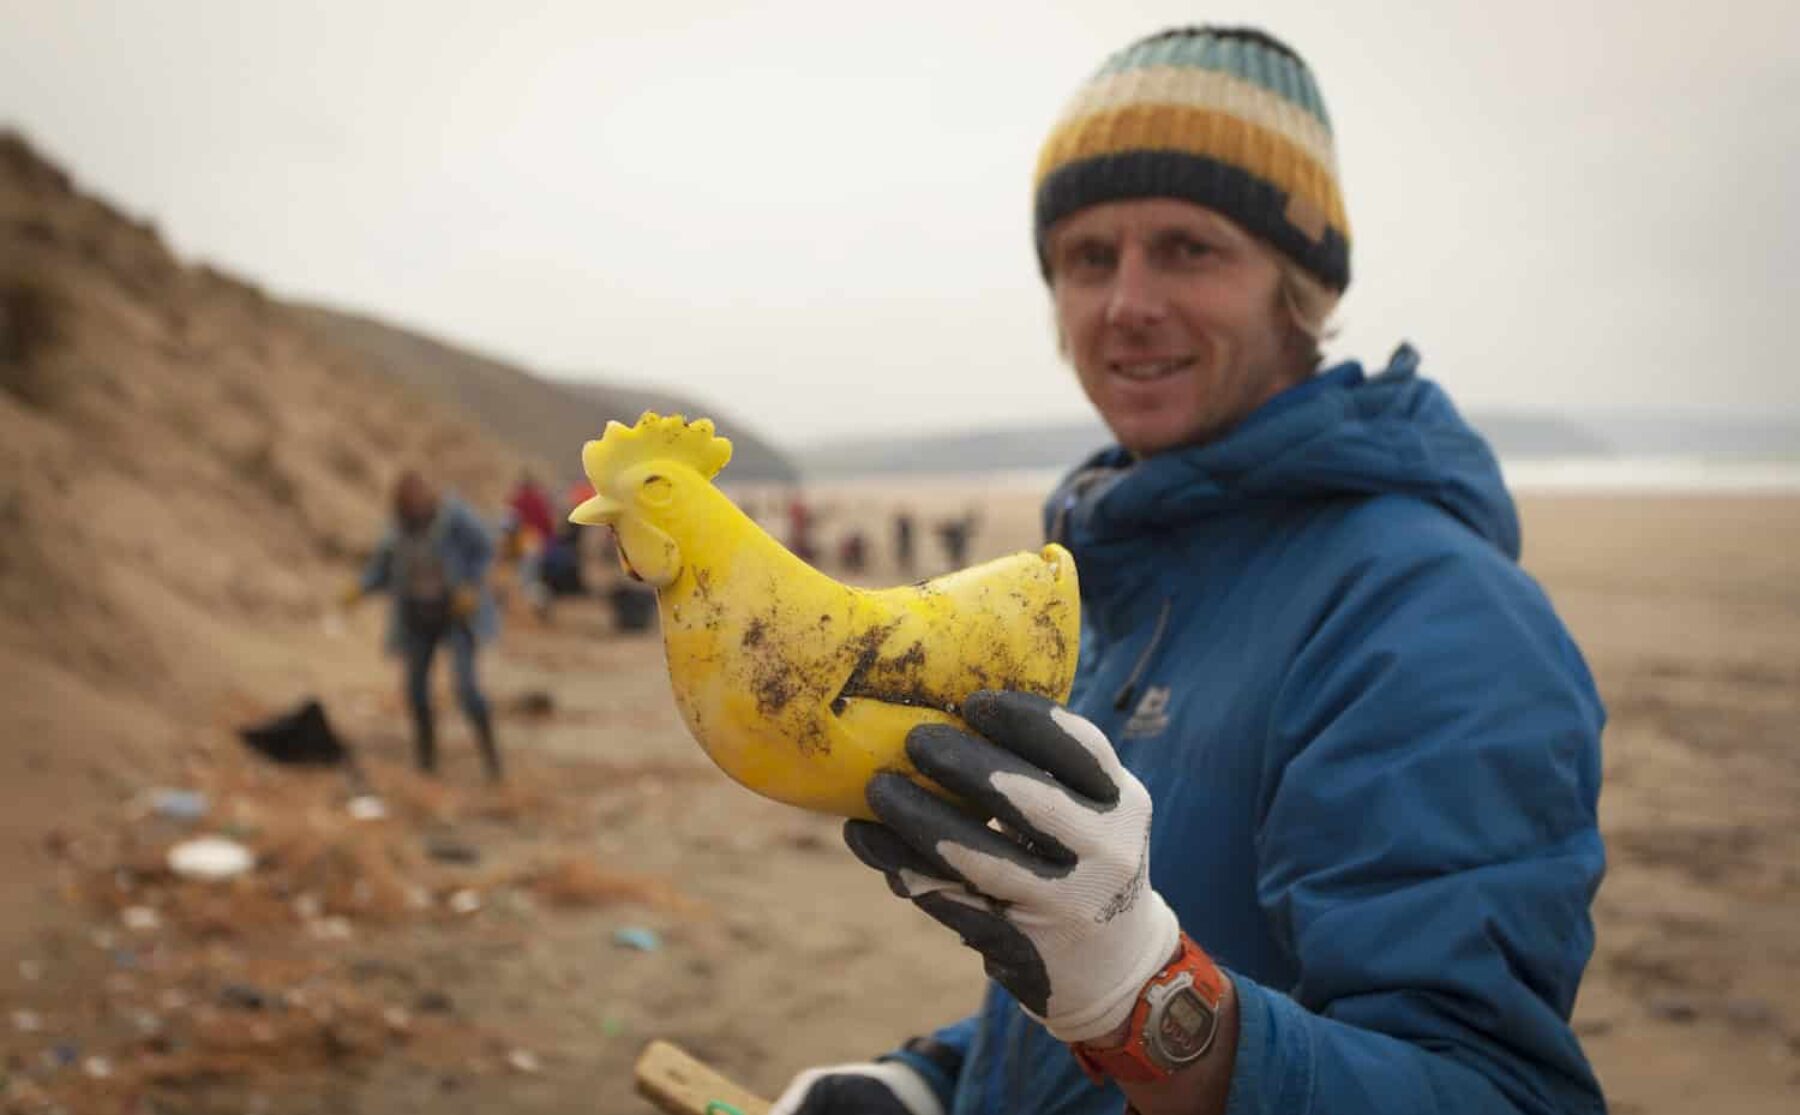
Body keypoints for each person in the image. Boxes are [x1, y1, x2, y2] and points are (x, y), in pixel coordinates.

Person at [771, 25, 1604, 1115]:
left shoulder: (1434, 618)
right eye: (1085, 257)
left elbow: (1494, 1091)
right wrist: (927, 1083)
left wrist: (1148, 1000)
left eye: (1188, 247)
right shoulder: (1127, 582)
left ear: (1297, 287)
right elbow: (1084, 964)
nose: (1125, 304)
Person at [343, 469, 504, 782]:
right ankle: (426, 761)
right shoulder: (398, 533)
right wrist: (359, 589)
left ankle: (492, 761)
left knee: (467, 689)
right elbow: (382, 570)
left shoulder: (454, 520)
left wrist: (472, 585)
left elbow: (485, 549)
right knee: (416, 692)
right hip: (417, 618)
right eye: (408, 501)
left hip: (456, 614)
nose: (415, 505)